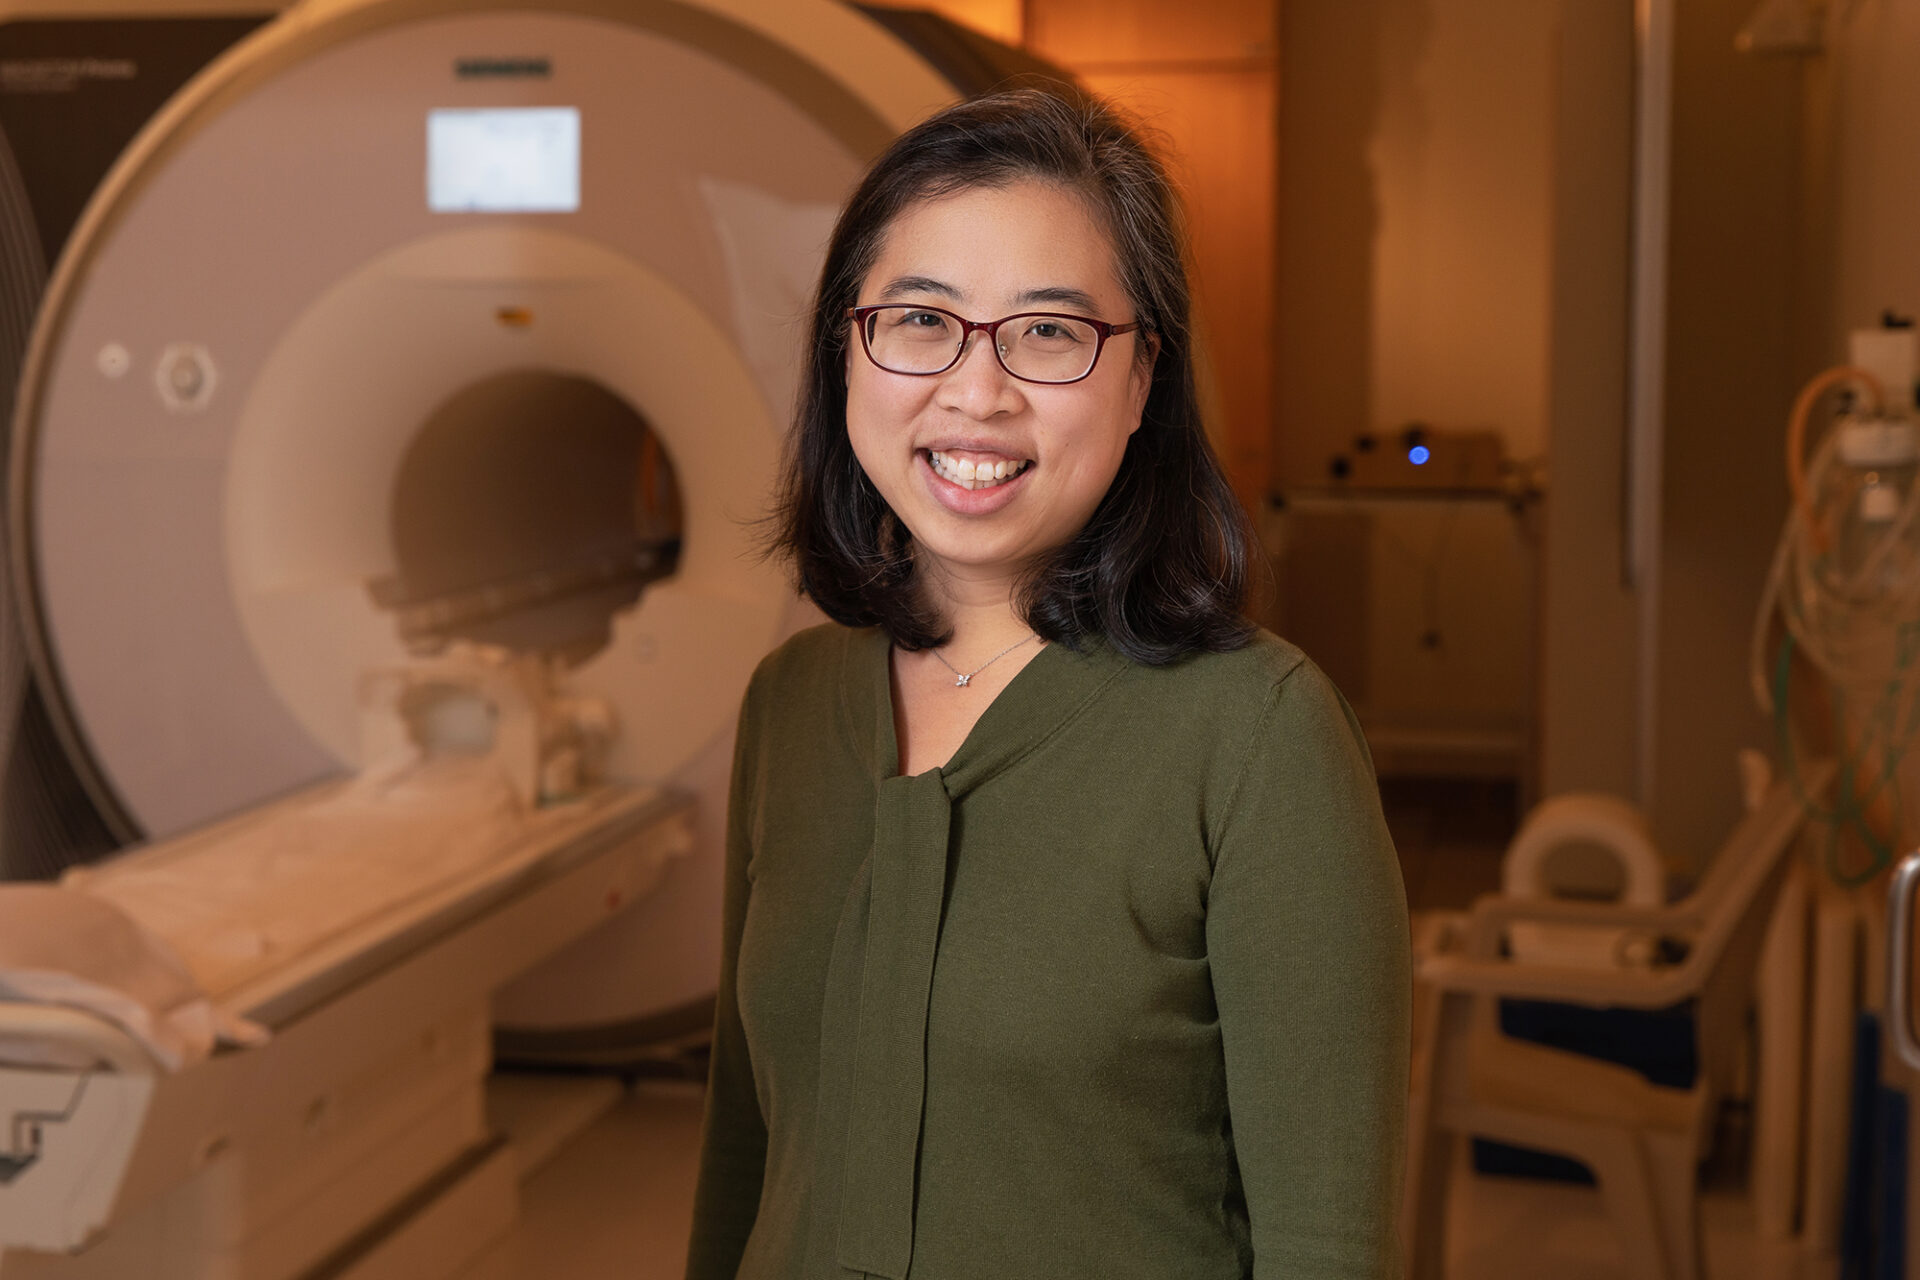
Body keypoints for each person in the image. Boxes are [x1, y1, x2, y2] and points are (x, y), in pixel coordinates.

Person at [684, 86, 1409, 1280]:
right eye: (921, 319)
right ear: (845, 348)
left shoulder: (1257, 736)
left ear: (1140, 382)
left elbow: (1329, 1242)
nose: (977, 392)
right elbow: (745, 1147)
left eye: (1049, 331)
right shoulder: (793, 702)